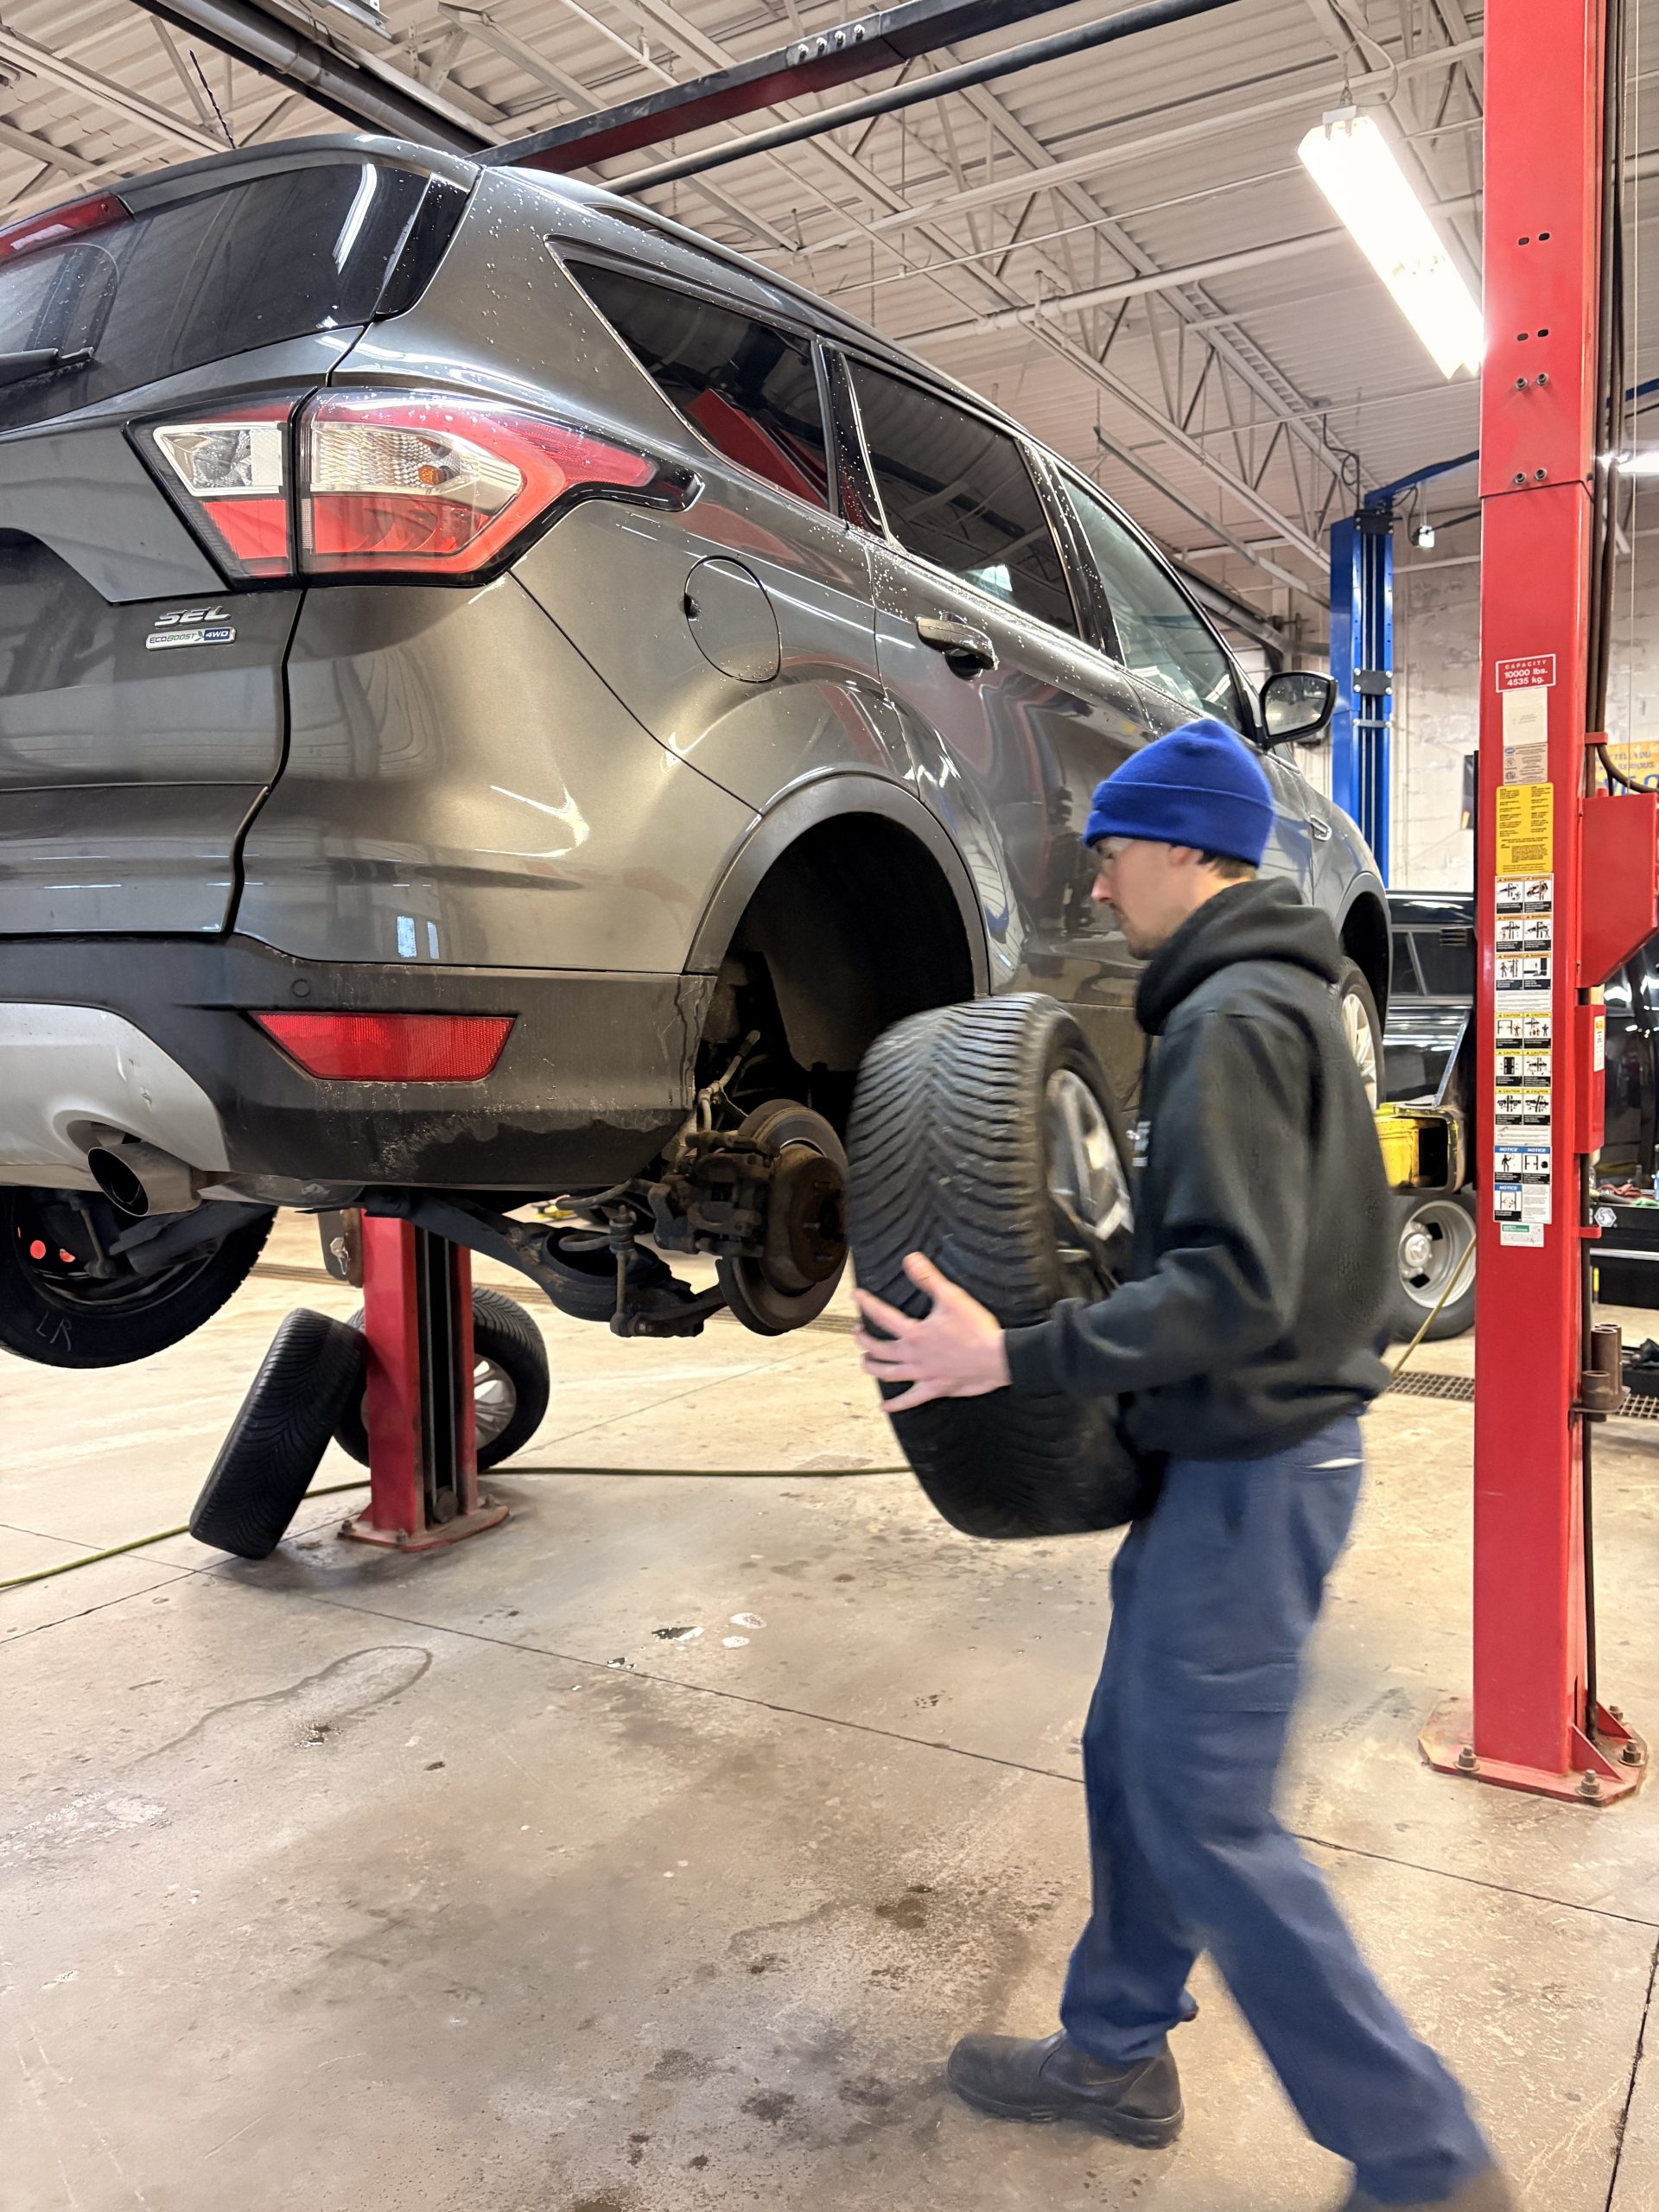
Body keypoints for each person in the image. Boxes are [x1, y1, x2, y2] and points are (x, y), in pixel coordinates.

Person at [853, 719, 1508, 2210]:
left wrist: (1012, 1355)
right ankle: (1114, 2053)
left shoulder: (1230, 1017)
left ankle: (1424, 2160)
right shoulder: (1277, 996)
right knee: (1130, 1759)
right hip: (1229, 1463)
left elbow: (1232, 1289)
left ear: (1177, 850)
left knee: (1211, 1822)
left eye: (1109, 855)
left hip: (1257, 1472)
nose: (1096, 887)